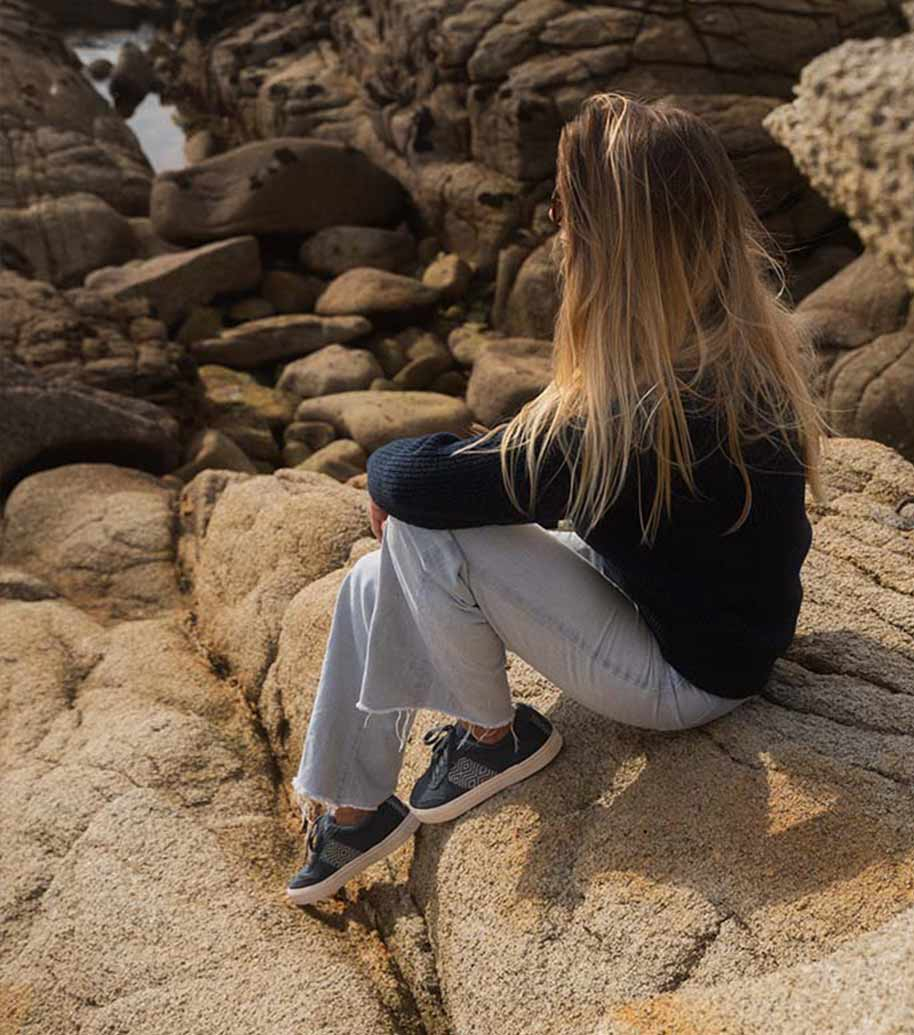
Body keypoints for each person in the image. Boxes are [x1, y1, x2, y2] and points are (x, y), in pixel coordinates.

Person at [285, 92, 829, 906]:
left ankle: (493, 738)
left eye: (570, 207)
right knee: (376, 573)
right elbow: (509, 467)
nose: (555, 221)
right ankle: (352, 804)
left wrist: (387, 479)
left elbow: (422, 481)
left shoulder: (651, 414)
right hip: (663, 605)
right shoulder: (724, 347)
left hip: (684, 678)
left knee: (428, 535)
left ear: (617, 242)